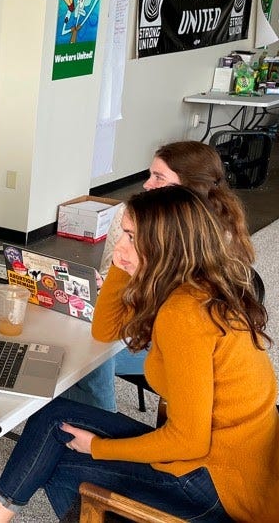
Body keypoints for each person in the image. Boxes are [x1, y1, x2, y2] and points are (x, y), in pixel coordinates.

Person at [0, 186, 279, 523]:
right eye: (123, 233)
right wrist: (123, 263)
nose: (120, 246)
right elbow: (105, 331)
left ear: (167, 247)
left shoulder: (184, 314)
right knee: (53, 418)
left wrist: (99, 447)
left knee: (54, 460)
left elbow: (188, 442)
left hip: (215, 489)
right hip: (233, 465)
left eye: (133, 238)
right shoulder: (194, 284)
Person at [63, 140, 254, 412]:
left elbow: (182, 320)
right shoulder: (129, 216)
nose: (147, 184)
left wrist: (131, 289)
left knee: (88, 359)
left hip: (167, 340)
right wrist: (119, 268)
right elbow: (112, 271)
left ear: (189, 188)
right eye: (149, 174)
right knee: (76, 353)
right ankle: (82, 422)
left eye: (158, 177)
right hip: (135, 321)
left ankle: (103, 425)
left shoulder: (215, 240)